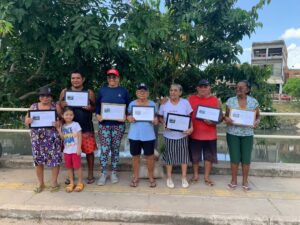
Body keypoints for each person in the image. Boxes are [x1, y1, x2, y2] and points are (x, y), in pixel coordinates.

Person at [58, 70, 97, 184]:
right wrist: (62, 105)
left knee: (89, 152)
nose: (75, 80)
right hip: (68, 128)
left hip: (86, 127)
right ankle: (71, 175)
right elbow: (59, 106)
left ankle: (90, 174)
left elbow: (95, 108)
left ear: (83, 79)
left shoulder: (89, 92)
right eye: (73, 78)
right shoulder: (64, 92)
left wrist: (90, 108)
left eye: (78, 78)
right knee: (70, 151)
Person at [223, 80, 260, 191]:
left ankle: (245, 180)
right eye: (237, 87)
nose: (238, 89)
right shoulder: (230, 101)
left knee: (246, 159)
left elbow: (258, 116)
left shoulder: (253, 102)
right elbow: (226, 116)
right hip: (232, 133)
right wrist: (227, 119)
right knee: (234, 158)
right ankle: (233, 180)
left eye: (241, 87)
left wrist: (257, 122)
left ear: (247, 89)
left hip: (248, 134)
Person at [95, 68, 130, 185]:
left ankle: (114, 172)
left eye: (114, 77)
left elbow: (128, 108)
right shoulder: (102, 91)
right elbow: (97, 107)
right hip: (104, 125)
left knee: (115, 149)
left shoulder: (124, 91)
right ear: (107, 79)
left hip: (118, 126)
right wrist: (98, 115)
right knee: (104, 149)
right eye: (109, 77)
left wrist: (125, 116)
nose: (112, 79)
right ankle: (103, 173)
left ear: (118, 78)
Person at [24, 87, 62, 193]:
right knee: (38, 161)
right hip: (37, 139)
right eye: (43, 96)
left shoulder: (56, 106)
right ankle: (41, 183)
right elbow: (26, 120)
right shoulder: (33, 106)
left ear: (51, 97)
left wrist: (59, 123)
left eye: (48, 96)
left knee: (55, 160)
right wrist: (28, 120)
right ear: (40, 97)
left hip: (53, 138)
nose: (45, 98)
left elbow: (63, 119)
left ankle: (54, 182)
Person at [158, 84, 193, 189]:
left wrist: (191, 128)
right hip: (169, 135)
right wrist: (163, 123)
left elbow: (190, 117)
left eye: (175, 90)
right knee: (169, 158)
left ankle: (183, 177)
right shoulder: (164, 103)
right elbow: (160, 117)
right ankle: (169, 177)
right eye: (171, 90)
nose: (173, 92)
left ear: (180, 92)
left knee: (183, 157)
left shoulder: (185, 103)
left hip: (182, 135)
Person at [188, 79, 222, 186]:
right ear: (197, 88)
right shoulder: (190, 99)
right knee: (195, 157)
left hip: (210, 134)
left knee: (209, 157)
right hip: (195, 133)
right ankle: (195, 175)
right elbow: (185, 114)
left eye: (205, 87)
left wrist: (212, 122)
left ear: (209, 88)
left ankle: (207, 177)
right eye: (201, 86)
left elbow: (220, 117)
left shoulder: (216, 100)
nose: (203, 89)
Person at [127, 83, 158, 188]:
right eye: (140, 91)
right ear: (136, 93)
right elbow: (128, 116)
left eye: (144, 91)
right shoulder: (131, 104)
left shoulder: (153, 104)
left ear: (148, 93)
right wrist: (129, 118)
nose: (142, 93)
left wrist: (155, 120)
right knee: (135, 157)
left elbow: (157, 118)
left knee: (150, 157)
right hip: (134, 135)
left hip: (149, 135)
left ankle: (151, 176)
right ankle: (135, 177)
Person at [56, 107, 84, 192]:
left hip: (75, 150)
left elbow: (79, 136)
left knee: (77, 167)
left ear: (73, 116)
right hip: (67, 151)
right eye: (67, 115)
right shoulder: (63, 126)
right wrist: (59, 130)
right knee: (69, 167)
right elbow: (63, 138)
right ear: (62, 115)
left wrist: (79, 148)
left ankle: (80, 182)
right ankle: (71, 182)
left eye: (71, 115)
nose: (69, 116)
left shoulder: (76, 124)